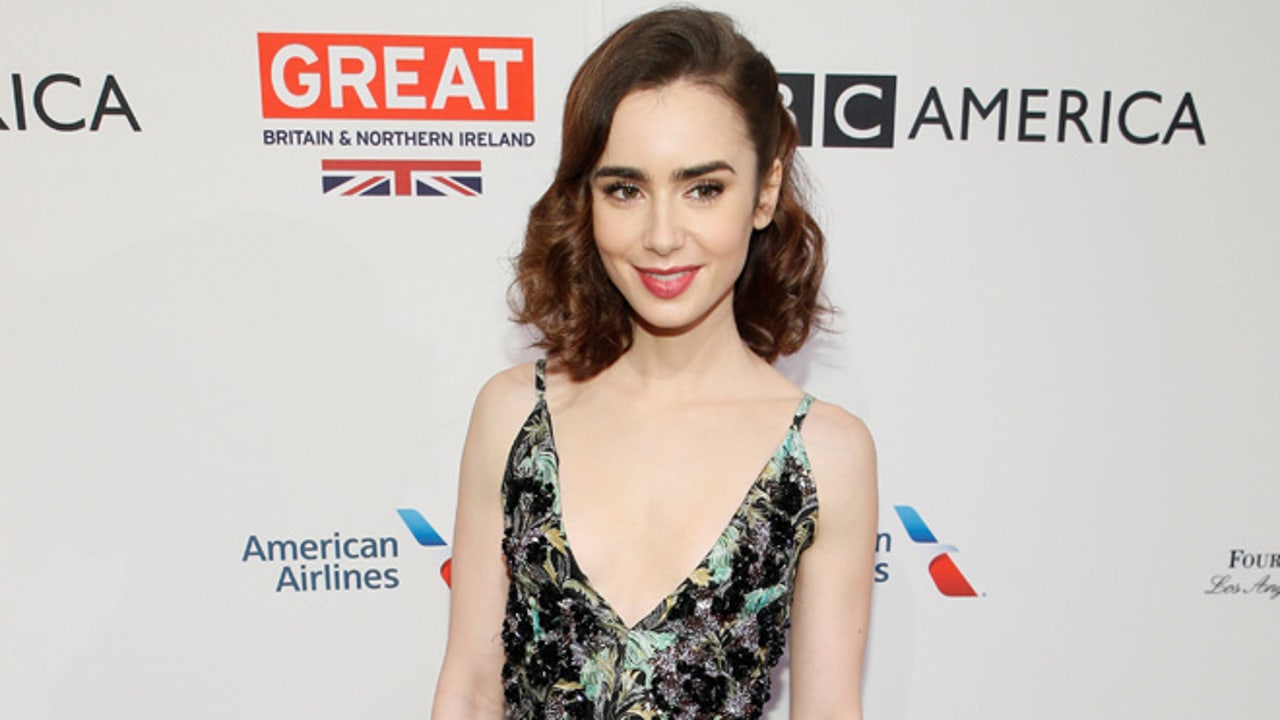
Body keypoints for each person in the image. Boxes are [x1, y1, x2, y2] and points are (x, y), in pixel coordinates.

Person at [432, 7, 877, 719]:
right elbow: (470, 688)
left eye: (704, 188)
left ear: (764, 192)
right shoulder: (514, 414)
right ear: (587, 198)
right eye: (625, 189)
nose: (662, 236)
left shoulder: (825, 455)